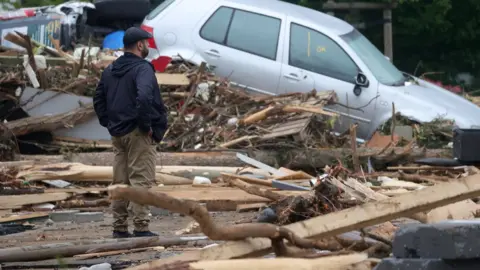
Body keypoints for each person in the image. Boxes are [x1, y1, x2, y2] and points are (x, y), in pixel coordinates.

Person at [93, 27, 168, 238]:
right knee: (140, 180)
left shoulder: (111, 69)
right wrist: (146, 126)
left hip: (118, 133)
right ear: (139, 45)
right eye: (147, 43)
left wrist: (109, 122)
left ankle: (119, 227)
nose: (149, 46)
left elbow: (98, 99)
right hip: (137, 133)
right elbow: (144, 97)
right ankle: (141, 227)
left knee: (120, 181)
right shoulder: (142, 69)